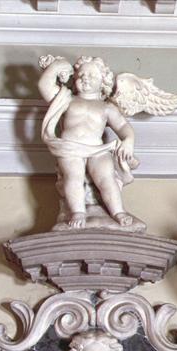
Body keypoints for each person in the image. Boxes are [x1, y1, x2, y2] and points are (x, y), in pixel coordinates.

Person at [38, 55, 138, 229]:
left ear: (103, 81)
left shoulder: (106, 107)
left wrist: (128, 140)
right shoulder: (67, 99)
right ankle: (78, 212)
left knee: (107, 178)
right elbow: (44, 85)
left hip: (98, 149)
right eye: (81, 75)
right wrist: (57, 66)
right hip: (70, 148)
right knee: (73, 177)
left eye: (92, 75)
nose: (85, 78)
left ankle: (118, 212)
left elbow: (123, 126)